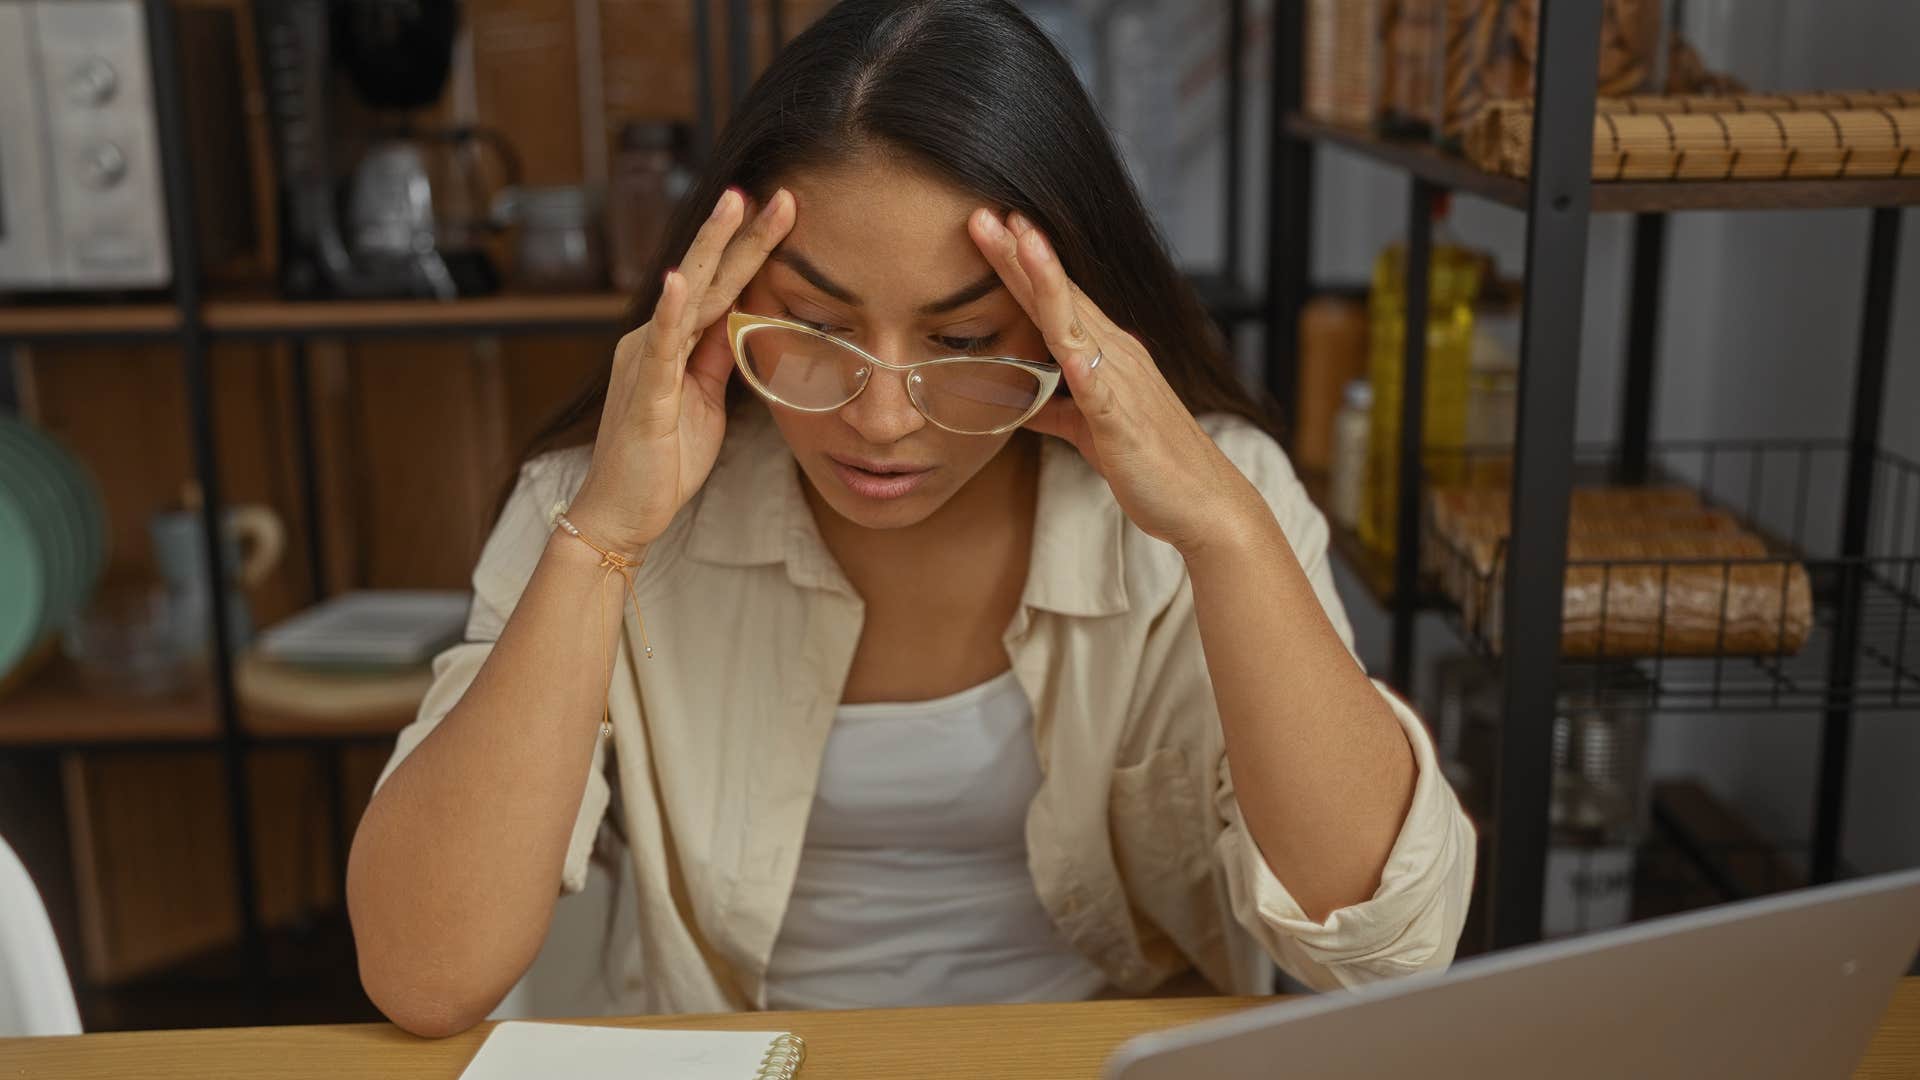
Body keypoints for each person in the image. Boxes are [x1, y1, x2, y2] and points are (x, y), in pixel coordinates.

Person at [347, 0, 1474, 1038]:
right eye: (814, 324)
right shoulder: (602, 502)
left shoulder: (1213, 500)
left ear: (1059, 320)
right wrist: (599, 540)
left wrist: (1224, 534)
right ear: (722, 297)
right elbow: (426, 974)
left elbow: (1390, 943)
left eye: (967, 342)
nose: (881, 419)